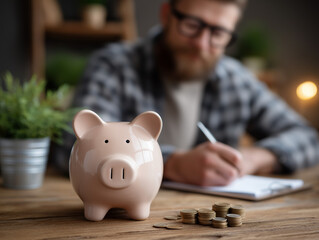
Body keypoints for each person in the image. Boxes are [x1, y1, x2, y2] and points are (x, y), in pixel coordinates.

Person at [56, 0, 319, 186]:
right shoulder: (114, 66)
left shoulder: (236, 79)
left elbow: (308, 138)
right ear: (167, 14)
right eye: (193, 24)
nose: (202, 44)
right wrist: (174, 164)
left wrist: (253, 158)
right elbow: (76, 145)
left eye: (218, 33)